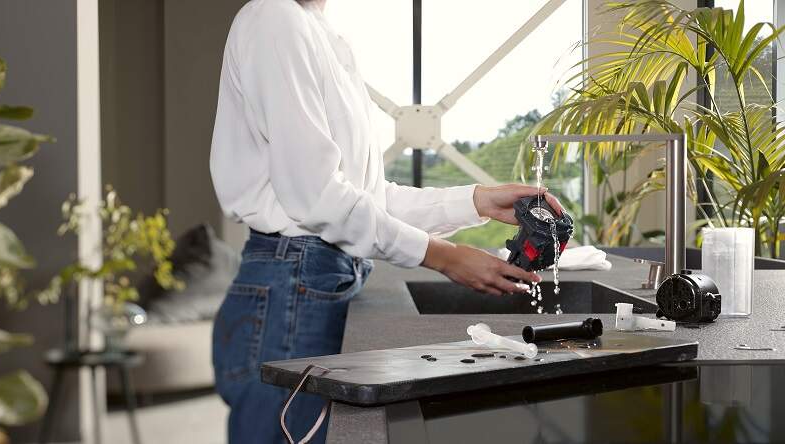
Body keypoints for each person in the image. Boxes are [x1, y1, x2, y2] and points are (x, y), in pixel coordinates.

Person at [209, 0, 564, 442]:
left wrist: (477, 202)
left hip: (316, 278)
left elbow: (367, 198)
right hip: (292, 282)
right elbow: (317, 197)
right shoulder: (275, 18)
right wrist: (444, 256)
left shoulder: (323, 35)